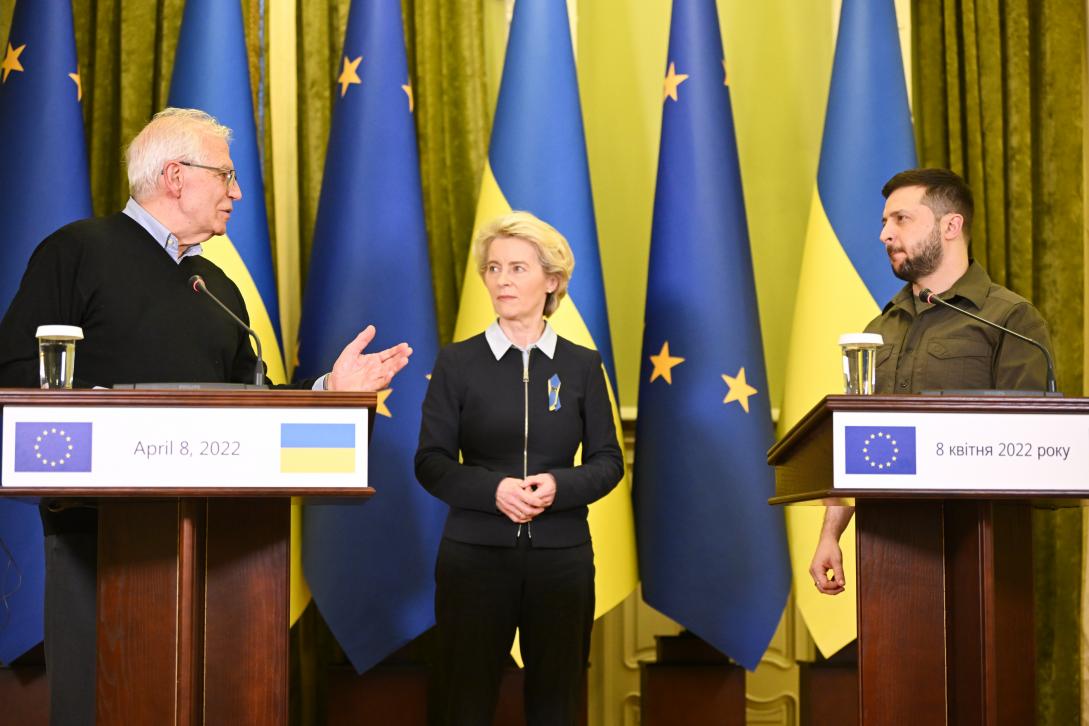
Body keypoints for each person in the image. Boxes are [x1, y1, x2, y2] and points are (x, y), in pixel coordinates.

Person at [0, 107, 412, 725]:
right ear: (175, 176)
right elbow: (15, 374)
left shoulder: (215, 285)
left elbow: (255, 403)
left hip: (227, 544)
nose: (237, 192)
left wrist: (332, 390)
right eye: (226, 175)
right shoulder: (76, 252)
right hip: (98, 536)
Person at [415, 211, 623, 725]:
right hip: (474, 558)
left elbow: (608, 462)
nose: (502, 280)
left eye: (517, 268)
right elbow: (431, 462)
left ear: (551, 280)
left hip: (561, 559)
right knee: (463, 702)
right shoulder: (456, 363)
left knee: (557, 703)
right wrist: (494, 491)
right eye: (493, 268)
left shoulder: (582, 366)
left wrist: (559, 485)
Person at [809, 167, 1053, 596]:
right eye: (885, 222)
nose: (885, 234)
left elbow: (1029, 445)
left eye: (901, 219)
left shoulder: (1010, 320)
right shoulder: (879, 329)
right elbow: (855, 441)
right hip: (884, 547)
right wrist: (831, 532)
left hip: (981, 551)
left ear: (951, 225)